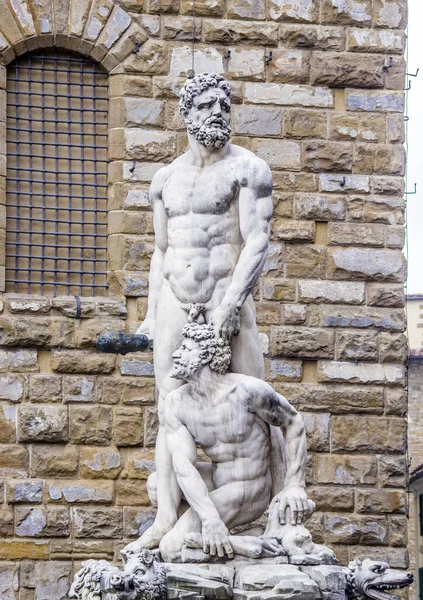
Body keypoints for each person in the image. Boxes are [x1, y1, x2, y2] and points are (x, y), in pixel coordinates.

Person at [125, 73, 284, 553]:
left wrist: (233, 305)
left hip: (225, 296)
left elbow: (257, 240)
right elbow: (160, 248)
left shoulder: (247, 169)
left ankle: (277, 513)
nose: (218, 111)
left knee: (257, 403)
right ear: (186, 114)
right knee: (169, 406)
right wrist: (153, 314)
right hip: (175, 298)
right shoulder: (164, 180)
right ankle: (164, 518)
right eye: (207, 105)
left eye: (224, 105)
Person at [158, 322, 314, 563]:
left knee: (170, 548)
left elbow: (293, 421)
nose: (176, 354)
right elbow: (183, 465)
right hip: (218, 479)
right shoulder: (176, 403)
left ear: (206, 354)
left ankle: (206, 536)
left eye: (186, 348)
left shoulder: (247, 391)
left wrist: (294, 484)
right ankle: (237, 541)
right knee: (155, 485)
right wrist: (210, 519)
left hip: (248, 488)